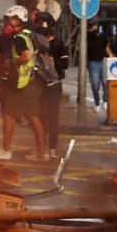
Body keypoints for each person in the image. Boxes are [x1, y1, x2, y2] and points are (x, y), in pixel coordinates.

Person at [0, 6, 47, 161]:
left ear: (17, 19)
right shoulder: (30, 35)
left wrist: (11, 63)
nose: (9, 21)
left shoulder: (19, 38)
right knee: (32, 115)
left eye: (12, 18)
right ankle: (42, 152)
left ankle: (6, 150)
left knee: (8, 113)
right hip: (35, 82)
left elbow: (26, 56)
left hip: (25, 83)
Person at [30, 10, 68, 158]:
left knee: (52, 117)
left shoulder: (58, 42)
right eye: (38, 22)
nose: (41, 25)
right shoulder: (33, 41)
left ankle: (52, 147)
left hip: (54, 85)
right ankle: (41, 147)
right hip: (38, 84)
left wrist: (54, 63)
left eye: (44, 22)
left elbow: (65, 64)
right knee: (38, 116)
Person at [85, 26, 108, 107]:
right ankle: (97, 102)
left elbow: (106, 46)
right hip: (92, 62)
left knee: (106, 83)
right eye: (92, 28)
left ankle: (105, 100)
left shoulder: (102, 37)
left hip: (103, 60)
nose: (94, 29)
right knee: (95, 84)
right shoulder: (87, 36)